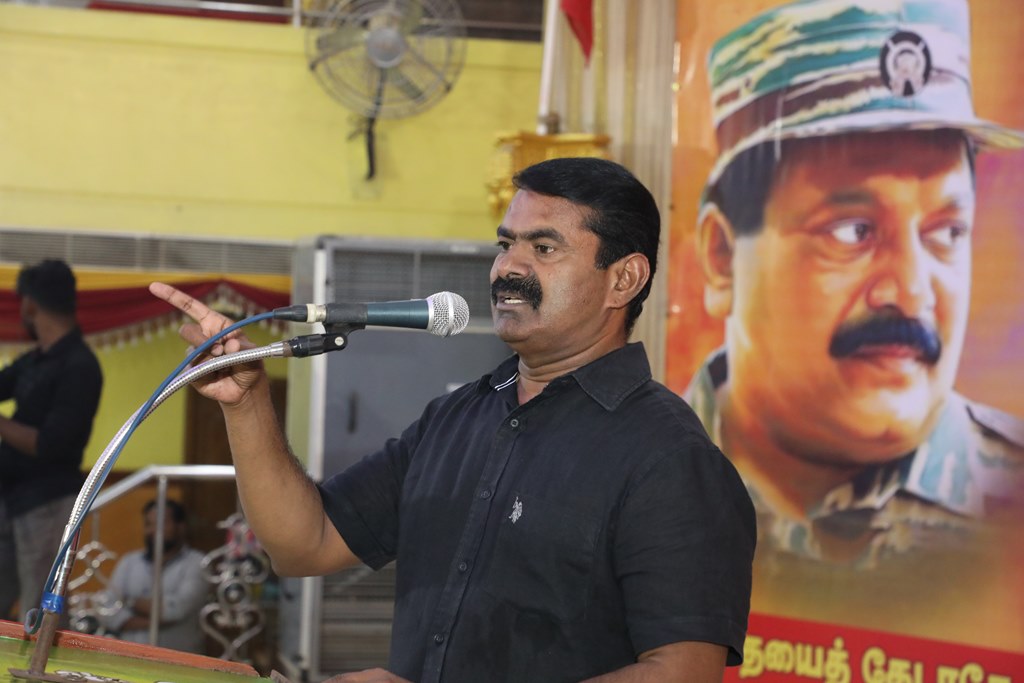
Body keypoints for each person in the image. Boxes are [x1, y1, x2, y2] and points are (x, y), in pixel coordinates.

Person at [150, 157, 756, 682]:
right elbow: (303, 543)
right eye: (505, 245)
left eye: (543, 249)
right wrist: (246, 404)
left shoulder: (668, 458)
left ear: (624, 278)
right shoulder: (459, 416)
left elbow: (683, 672)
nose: (507, 268)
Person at [683, 0, 1024, 647]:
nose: (911, 291)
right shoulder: (633, 474)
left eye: (947, 232)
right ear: (723, 257)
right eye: (852, 231)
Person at [0, 259, 104, 622]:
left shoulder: (80, 365)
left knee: (39, 607)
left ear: (30, 304)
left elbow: (49, 444)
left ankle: (40, 661)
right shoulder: (35, 360)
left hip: (48, 503)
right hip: (11, 497)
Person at [100, 498, 208, 653]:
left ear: (180, 527)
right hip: (128, 657)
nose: (152, 531)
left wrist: (128, 601)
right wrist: (158, 621)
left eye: (160, 524)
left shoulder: (198, 562)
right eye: (148, 524)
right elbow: (107, 609)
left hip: (178, 660)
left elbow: (176, 610)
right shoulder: (129, 561)